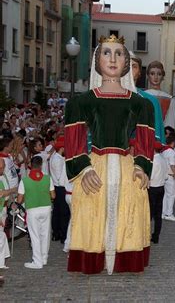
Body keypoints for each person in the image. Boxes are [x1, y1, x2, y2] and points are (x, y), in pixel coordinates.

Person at [65, 35, 155, 274]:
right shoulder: (81, 102)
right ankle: (93, 258)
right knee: (92, 207)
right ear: (97, 60)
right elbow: (74, 141)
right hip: (95, 165)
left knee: (130, 209)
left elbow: (145, 142)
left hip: (127, 166)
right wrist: (84, 168)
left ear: (127, 61)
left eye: (119, 53)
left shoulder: (140, 104)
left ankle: (125, 258)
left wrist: (141, 167)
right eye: (106, 52)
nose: (113, 59)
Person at [17, 156, 56, 269]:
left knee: (35, 235)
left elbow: (19, 200)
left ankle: (37, 261)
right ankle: (44, 258)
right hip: (46, 208)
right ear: (41, 165)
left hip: (32, 209)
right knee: (45, 233)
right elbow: (53, 195)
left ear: (31, 165)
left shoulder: (25, 180)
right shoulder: (48, 178)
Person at [130, 53, 165, 142]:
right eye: (126, 65)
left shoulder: (151, 101)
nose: (129, 69)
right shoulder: (111, 98)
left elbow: (157, 137)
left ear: (139, 73)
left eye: (134, 66)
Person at [146, 61, 175, 131]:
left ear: (162, 76)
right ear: (148, 76)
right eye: (152, 74)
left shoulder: (171, 100)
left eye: (159, 74)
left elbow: (171, 126)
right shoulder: (141, 96)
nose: (155, 77)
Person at [49, 135, 70, 243]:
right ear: (62, 148)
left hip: (56, 188)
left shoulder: (55, 156)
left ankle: (56, 233)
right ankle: (62, 235)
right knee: (63, 213)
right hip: (60, 188)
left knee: (57, 212)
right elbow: (60, 177)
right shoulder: (58, 159)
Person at [148, 141, 168, 244]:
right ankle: (156, 236)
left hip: (153, 188)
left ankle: (146, 235)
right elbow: (166, 175)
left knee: (149, 213)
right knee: (158, 214)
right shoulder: (163, 159)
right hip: (161, 187)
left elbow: (150, 177)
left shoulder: (154, 162)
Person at [161, 134, 175, 221]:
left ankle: (163, 213)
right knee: (171, 195)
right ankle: (169, 214)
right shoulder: (171, 152)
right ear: (173, 142)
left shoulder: (163, 151)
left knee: (165, 195)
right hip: (170, 175)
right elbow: (172, 164)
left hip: (164, 175)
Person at [0, 159, 11, 272]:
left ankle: (2, 260)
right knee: (1, 237)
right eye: (1, 168)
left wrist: (8, 192)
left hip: (3, 207)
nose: (2, 170)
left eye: (3, 167)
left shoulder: (3, 176)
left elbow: (7, 191)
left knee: (2, 235)